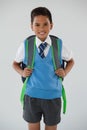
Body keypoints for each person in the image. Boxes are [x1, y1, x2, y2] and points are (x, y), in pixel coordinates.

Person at [12, 7, 74, 130]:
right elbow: (15, 63)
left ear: (51, 25)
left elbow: (71, 60)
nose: (41, 28)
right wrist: (22, 72)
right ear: (31, 26)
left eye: (45, 24)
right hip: (31, 96)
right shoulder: (26, 45)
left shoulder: (59, 44)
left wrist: (65, 72)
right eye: (37, 25)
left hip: (53, 97)